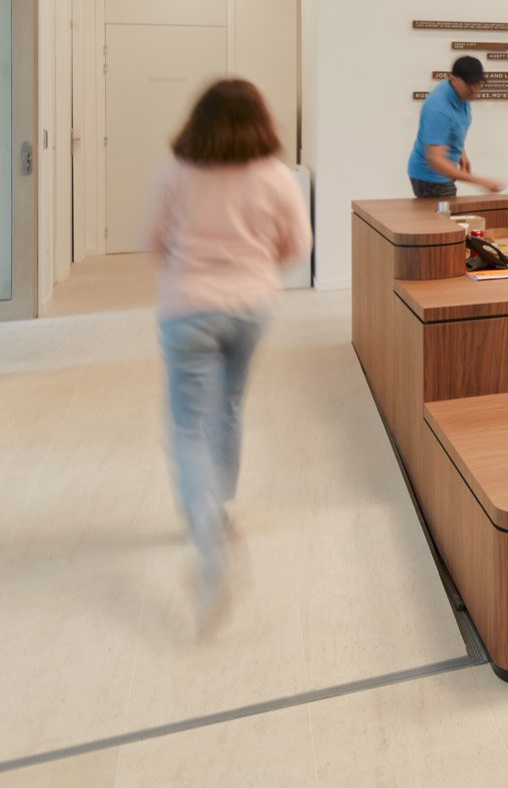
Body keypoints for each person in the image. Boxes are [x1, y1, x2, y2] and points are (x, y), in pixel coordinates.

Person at [144, 78, 313, 631]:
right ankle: (225, 507)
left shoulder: (179, 171)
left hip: (188, 307)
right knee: (230, 406)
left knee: (188, 424)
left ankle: (206, 529)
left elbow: (156, 241)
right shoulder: (275, 175)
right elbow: (297, 247)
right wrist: (253, 262)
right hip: (250, 305)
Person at [409, 55, 505, 199]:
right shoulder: (438, 109)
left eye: (477, 83)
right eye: (469, 83)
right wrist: (482, 182)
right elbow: (435, 160)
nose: (474, 89)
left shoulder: (461, 94)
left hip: (442, 174)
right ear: (453, 79)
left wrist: (461, 153)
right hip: (430, 178)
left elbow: (452, 128)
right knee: (445, 220)